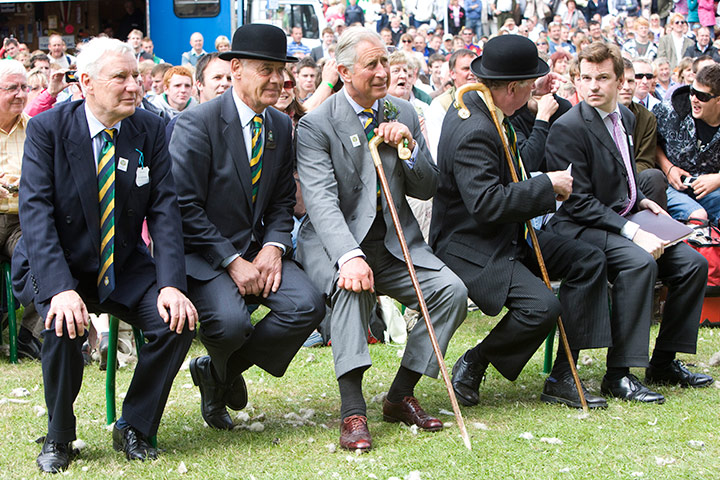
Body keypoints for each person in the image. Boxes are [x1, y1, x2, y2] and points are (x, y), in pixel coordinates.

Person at [13, 37, 197, 473]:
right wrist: (59, 289)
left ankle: (133, 423)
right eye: (122, 77)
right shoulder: (49, 129)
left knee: (177, 321)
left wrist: (171, 283)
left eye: (137, 76)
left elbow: (165, 209)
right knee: (61, 325)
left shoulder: (149, 128)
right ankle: (60, 433)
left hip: (124, 263)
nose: (135, 85)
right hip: (60, 263)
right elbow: (35, 213)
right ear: (87, 83)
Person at [295, 27, 467, 452]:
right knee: (351, 288)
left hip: (393, 242)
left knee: (451, 292)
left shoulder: (404, 111)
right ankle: (352, 410)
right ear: (343, 72)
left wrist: (408, 147)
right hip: (335, 243)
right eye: (371, 64)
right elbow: (320, 202)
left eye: (385, 62)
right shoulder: (317, 124)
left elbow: (427, 187)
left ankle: (399, 395)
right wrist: (349, 257)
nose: (382, 71)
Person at [430, 35, 610, 409]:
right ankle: (474, 361)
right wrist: (547, 184)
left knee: (588, 260)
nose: (533, 90)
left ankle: (564, 375)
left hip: (507, 234)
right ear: (511, 87)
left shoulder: (488, 105)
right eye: (528, 84)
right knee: (542, 307)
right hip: (471, 245)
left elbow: (515, 161)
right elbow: (486, 203)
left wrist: (534, 101)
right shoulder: (473, 127)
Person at [169, 24, 324, 431]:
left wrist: (274, 245)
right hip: (206, 256)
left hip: (258, 251)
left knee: (307, 304)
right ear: (235, 68)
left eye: (281, 70)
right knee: (231, 324)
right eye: (266, 69)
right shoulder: (197, 124)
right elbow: (184, 206)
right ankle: (224, 367)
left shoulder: (278, 124)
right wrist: (232, 260)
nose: (278, 79)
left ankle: (218, 373)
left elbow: (279, 201)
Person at [545, 42, 713, 405]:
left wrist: (640, 200)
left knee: (693, 265)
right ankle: (618, 374)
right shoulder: (567, 128)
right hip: (579, 226)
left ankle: (664, 363)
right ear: (576, 80)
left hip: (620, 219)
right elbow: (579, 200)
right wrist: (633, 230)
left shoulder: (627, 117)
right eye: (585, 78)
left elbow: (620, 174)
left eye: (602, 78)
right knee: (639, 263)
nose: (593, 86)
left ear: (620, 80)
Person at [0, 60, 46, 361]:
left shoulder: (35, 129)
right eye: (11, 88)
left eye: (24, 87)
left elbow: (48, 178)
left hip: (21, 220)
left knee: (46, 251)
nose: (19, 94)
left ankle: (31, 333)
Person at [654, 63, 720, 224]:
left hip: (711, 191)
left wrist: (718, 179)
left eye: (702, 96)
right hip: (670, 187)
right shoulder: (669, 111)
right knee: (698, 216)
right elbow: (649, 142)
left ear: (718, 100)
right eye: (692, 91)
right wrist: (668, 168)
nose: (694, 99)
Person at [618, 58, 667, 210]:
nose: (626, 87)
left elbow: (646, 161)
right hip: (602, 182)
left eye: (631, 81)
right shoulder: (595, 114)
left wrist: (624, 177)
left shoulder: (647, 117)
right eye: (622, 81)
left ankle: (656, 229)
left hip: (634, 179)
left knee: (654, 177)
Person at [425, 48, 478, 160]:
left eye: (474, 68)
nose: (472, 73)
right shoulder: (440, 105)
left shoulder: (487, 97)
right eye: (466, 69)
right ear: (452, 74)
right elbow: (437, 150)